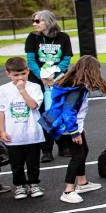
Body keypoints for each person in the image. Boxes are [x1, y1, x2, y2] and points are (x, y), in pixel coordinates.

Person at [42, 56, 106, 203]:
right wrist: (74, 132)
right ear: (90, 71)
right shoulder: (76, 89)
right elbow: (68, 112)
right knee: (78, 156)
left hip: (70, 125)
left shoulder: (74, 83)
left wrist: (79, 129)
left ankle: (82, 183)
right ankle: (68, 190)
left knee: (84, 151)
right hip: (66, 126)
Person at [24, 10, 73, 163]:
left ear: (48, 21)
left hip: (58, 80)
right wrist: (42, 77)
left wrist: (55, 75)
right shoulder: (32, 38)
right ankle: (46, 149)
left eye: (38, 21)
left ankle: (63, 145)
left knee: (57, 112)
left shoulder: (63, 37)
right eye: (34, 21)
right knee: (42, 114)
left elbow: (66, 59)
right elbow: (31, 60)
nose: (34, 24)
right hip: (39, 82)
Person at [0, 57, 45, 200]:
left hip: (32, 133)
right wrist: (1, 130)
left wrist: (22, 90)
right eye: (15, 75)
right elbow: (1, 111)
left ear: (28, 71)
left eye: (23, 74)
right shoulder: (3, 90)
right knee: (16, 164)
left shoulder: (35, 87)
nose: (20, 78)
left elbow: (33, 106)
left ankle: (33, 184)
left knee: (33, 162)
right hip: (13, 135)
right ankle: (20, 186)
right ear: (8, 74)